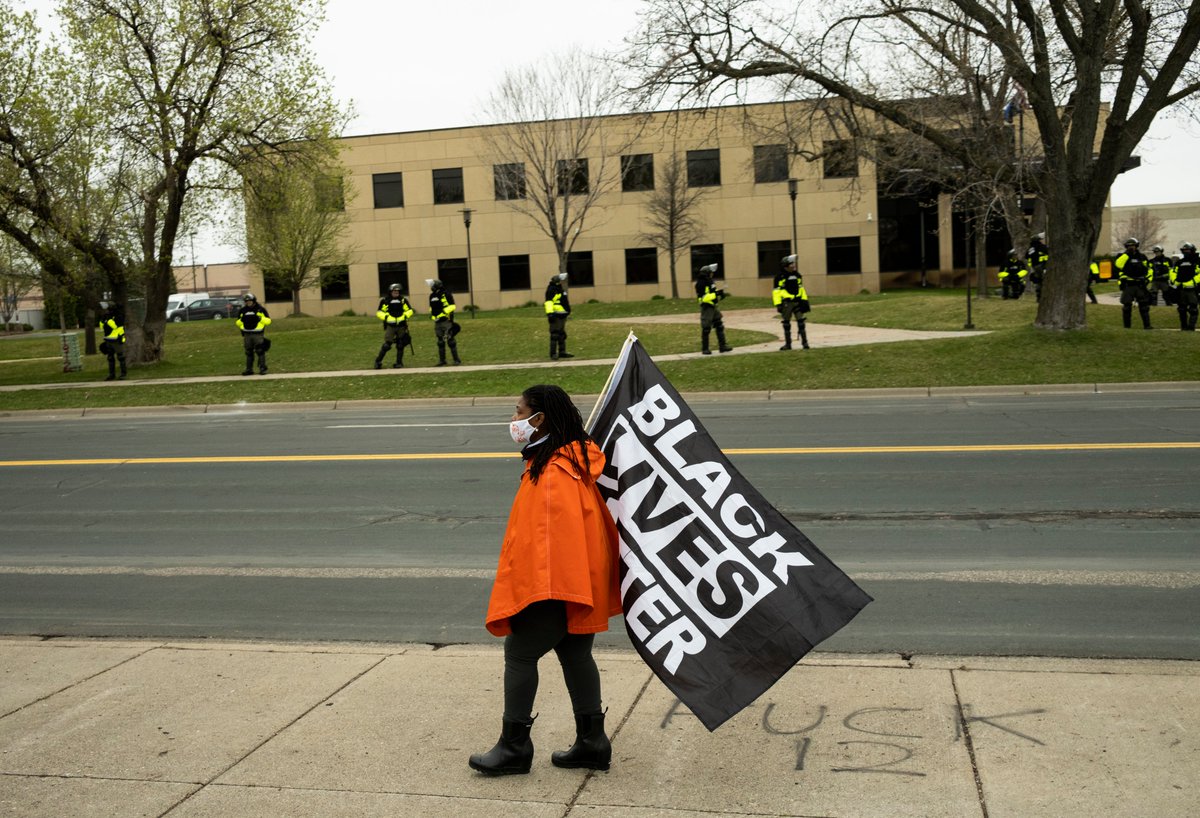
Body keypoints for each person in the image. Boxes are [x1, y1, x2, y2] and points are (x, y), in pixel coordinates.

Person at [469, 384, 620, 776]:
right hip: (577, 582)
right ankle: (592, 742)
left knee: (519, 653)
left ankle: (514, 747)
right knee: (574, 653)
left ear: (540, 420)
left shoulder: (553, 473)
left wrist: (540, 596)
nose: (514, 421)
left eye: (519, 413)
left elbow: (551, 547)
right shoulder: (568, 461)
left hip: (557, 585)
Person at [773, 254, 810, 350]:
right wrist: (778, 304)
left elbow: (801, 288)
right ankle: (788, 344)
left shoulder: (797, 275)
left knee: (801, 322)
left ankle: (805, 343)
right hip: (786, 303)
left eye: (793, 263)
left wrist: (805, 300)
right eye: (791, 264)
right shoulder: (779, 277)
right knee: (786, 323)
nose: (793, 265)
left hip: (798, 301)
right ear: (785, 266)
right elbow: (776, 292)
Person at [1114, 237, 1153, 329]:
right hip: (1129, 285)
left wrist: (1147, 279)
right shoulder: (1122, 256)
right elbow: (1118, 265)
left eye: (1133, 246)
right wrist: (1127, 254)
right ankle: (1127, 327)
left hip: (1140, 284)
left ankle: (1147, 326)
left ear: (1137, 246)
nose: (1131, 247)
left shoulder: (1142, 257)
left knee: (1144, 306)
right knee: (1127, 307)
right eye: (1129, 246)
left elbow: (1149, 269)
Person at [695, 263, 733, 355]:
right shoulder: (701, 283)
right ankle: (705, 349)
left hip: (713, 306)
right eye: (711, 273)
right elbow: (704, 298)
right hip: (707, 307)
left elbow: (712, 291)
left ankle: (723, 346)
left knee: (719, 325)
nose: (712, 274)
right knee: (706, 328)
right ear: (707, 273)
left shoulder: (709, 280)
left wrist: (719, 293)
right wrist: (716, 294)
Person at [374, 283, 414, 369]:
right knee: (387, 345)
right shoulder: (385, 300)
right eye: (394, 291)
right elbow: (379, 312)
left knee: (400, 344)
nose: (396, 292)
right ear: (390, 291)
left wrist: (405, 316)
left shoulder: (403, 300)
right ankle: (378, 361)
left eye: (398, 291)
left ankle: (399, 363)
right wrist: (386, 317)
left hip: (401, 325)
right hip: (390, 326)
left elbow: (410, 310)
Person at [426, 278, 461, 366]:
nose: (431, 287)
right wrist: (433, 316)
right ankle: (442, 360)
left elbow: (452, 306)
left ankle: (456, 360)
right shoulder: (432, 296)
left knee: (450, 340)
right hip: (437, 322)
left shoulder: (446, 294)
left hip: (446, 321)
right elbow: (431, 307)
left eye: (432, 285)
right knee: (440, 342)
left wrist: (443, 313)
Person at [236, 293, 272, 375]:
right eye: (246, 301)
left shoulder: (260, 309)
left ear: (254, 301)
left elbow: (268, 321)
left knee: (260, 351)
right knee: (248, 352)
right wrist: (242, 321)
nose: (248, 302)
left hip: (258, 334)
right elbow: (238, 322)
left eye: (250, 301)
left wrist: (260, 318)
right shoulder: (242, 310)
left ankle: (262, 368)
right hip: (247, 335)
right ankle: (249, 369)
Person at [544, 272, 574, 360]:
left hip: (562, 315)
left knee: (562, 334)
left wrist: (567, 312)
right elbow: (548, 302)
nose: (562, 282)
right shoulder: (551, 290)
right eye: (561, 281)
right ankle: (553, 354)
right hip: (555, 315)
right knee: (554, 334)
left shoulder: (559, 289)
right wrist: (550, 314)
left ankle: (562, 352)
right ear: (557, 282)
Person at [1170, 242, 1199, 331]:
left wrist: (1192, 282)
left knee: (1193, 309)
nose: (1186, 252)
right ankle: (1184, 327)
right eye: (1184, 250)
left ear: (1192, 250)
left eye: (1188, 250)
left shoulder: (1197, 261)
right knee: (1182, 309)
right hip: (1181, 289)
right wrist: (1175, 281)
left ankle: (1191, 327)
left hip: (1192, 289)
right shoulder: (1179, 262)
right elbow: (1173, 272)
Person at [98, 303, 127, 381]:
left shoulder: (118, 316)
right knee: (110, 358)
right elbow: (101, 327)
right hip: (108, 340)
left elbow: (114, 326)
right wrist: (102, 320)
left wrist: (109, 320)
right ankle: (111, 375)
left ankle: (123, 374)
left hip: (117, 340)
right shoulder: (107, 317)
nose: (106, 311)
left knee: (121, 357)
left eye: (108, 310)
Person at [1026, 233, 1049, 301]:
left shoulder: (1031, 248)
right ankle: (1044, 296)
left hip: (1034, 267)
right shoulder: (1042, 247)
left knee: (1038, 281)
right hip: (1042, 266)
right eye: (1041, 239)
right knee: (1043, 281)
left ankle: (1039, 296)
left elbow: (1026, 256)